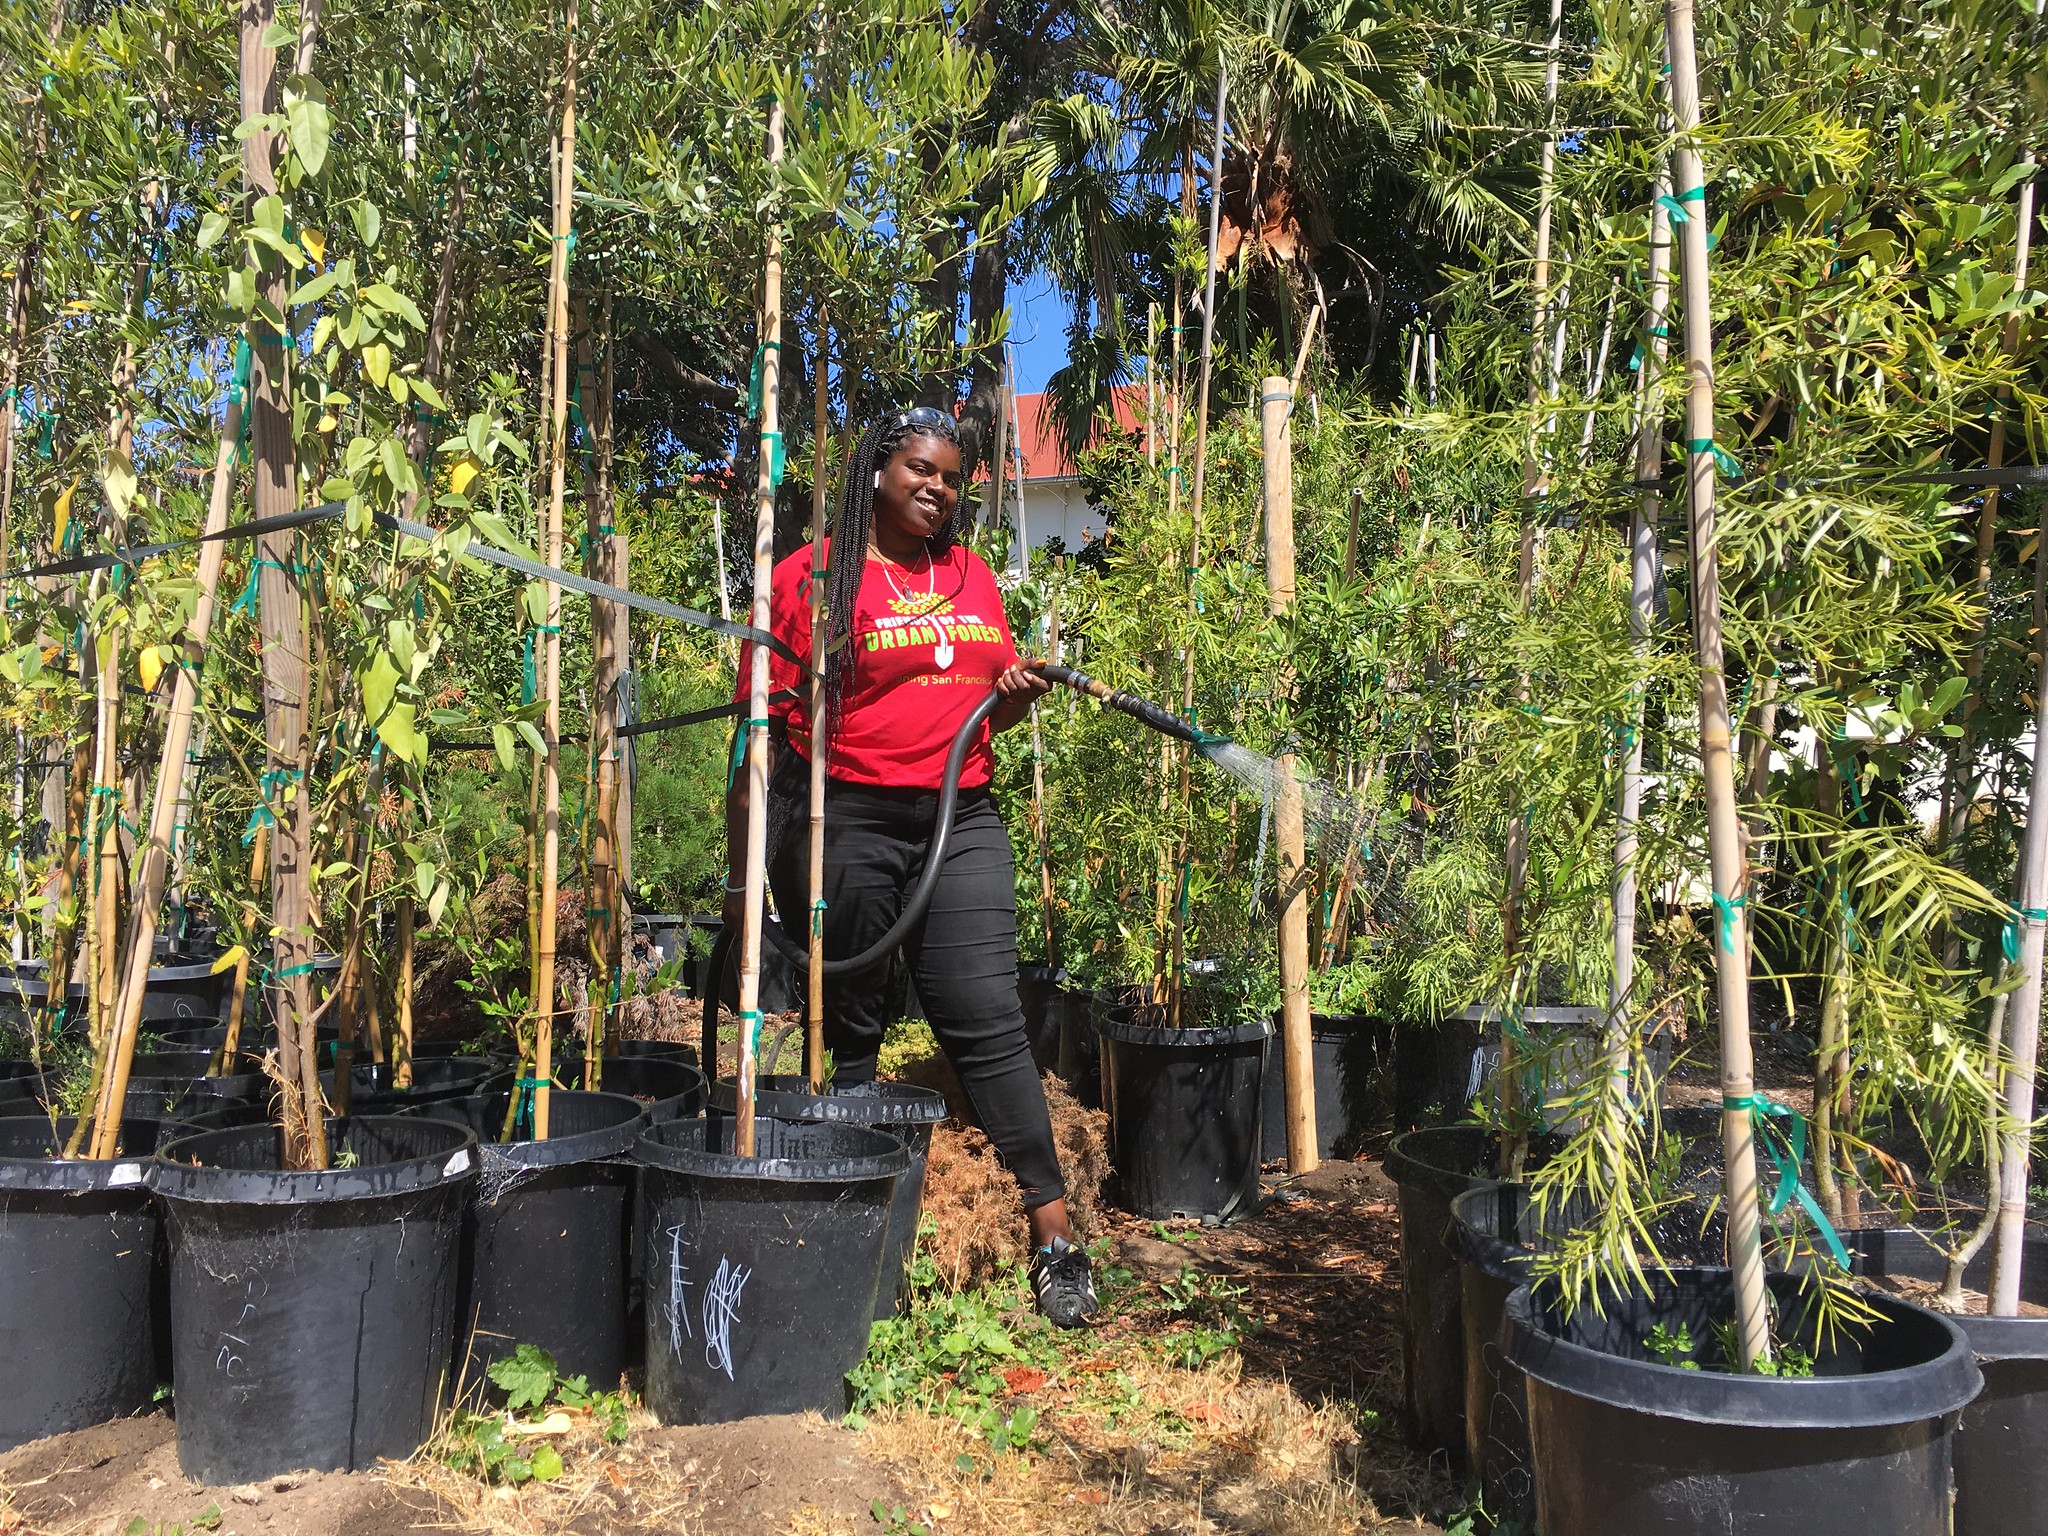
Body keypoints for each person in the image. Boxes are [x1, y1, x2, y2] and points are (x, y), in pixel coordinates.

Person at [722, 404, 1098, 1328]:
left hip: (961, 816)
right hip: (844, 814)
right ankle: (857, 1225)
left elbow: (984, 713)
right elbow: (761, 735)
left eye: (953, 476)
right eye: (921, 468)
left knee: (989, 1018)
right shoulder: (806, 579)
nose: (938, 486)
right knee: (850, 1022)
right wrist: (746, 878)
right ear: (876, 472)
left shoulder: (971, 575)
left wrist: (1010, 696)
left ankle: (1055, 1238)